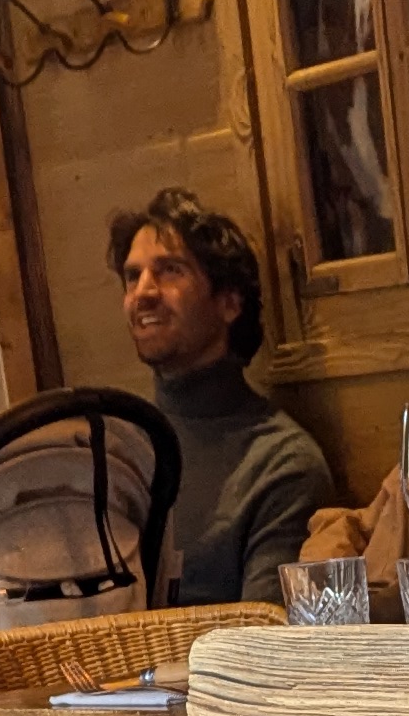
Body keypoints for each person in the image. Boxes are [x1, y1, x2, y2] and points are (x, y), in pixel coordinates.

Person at [108, 192, 330, 604]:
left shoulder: (281, 463)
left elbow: (260, 633)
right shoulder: (114, 452)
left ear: (229, 302)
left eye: (170, 271)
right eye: (133, 276)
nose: (143, 292)